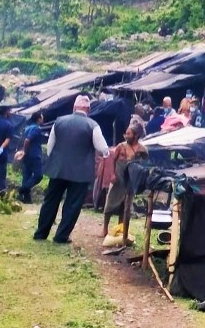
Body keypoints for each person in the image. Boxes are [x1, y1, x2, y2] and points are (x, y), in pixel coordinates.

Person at [33, 95, 111, 244]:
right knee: (72, 204)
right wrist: (106, 153)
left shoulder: (59, 121)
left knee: (50, 201)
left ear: (74, 107)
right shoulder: (92, 125)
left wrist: (57, 161)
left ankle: (41, 233)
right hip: (80, 173)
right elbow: (102, 148)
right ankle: (61, 236)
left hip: (58, 169)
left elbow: (50, 146)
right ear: (88, 109)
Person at [102, 124, 150, 242]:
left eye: (129, 134)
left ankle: (121, 229)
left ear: (136, 135)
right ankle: (104, 228)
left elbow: (144, 165)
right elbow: (112, 160)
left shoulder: (142, 150)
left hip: (130, 180)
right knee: (110, 202)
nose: (126, 136)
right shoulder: (120, 146)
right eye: (126, 133)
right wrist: (112, 174)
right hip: (118, 177)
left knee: (125, 206)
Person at [15, 112, 46, 203]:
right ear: (39, 119)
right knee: (38, 175)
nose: (43, 120)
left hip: (27, 156)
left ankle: (26, 198)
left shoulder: (27, 128)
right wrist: (25, 150)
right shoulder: (36, 128)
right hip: (34, 155)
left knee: (27, 176)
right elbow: (27, 140)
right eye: (42, 117)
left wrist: (23, 152)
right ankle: (22, 189)